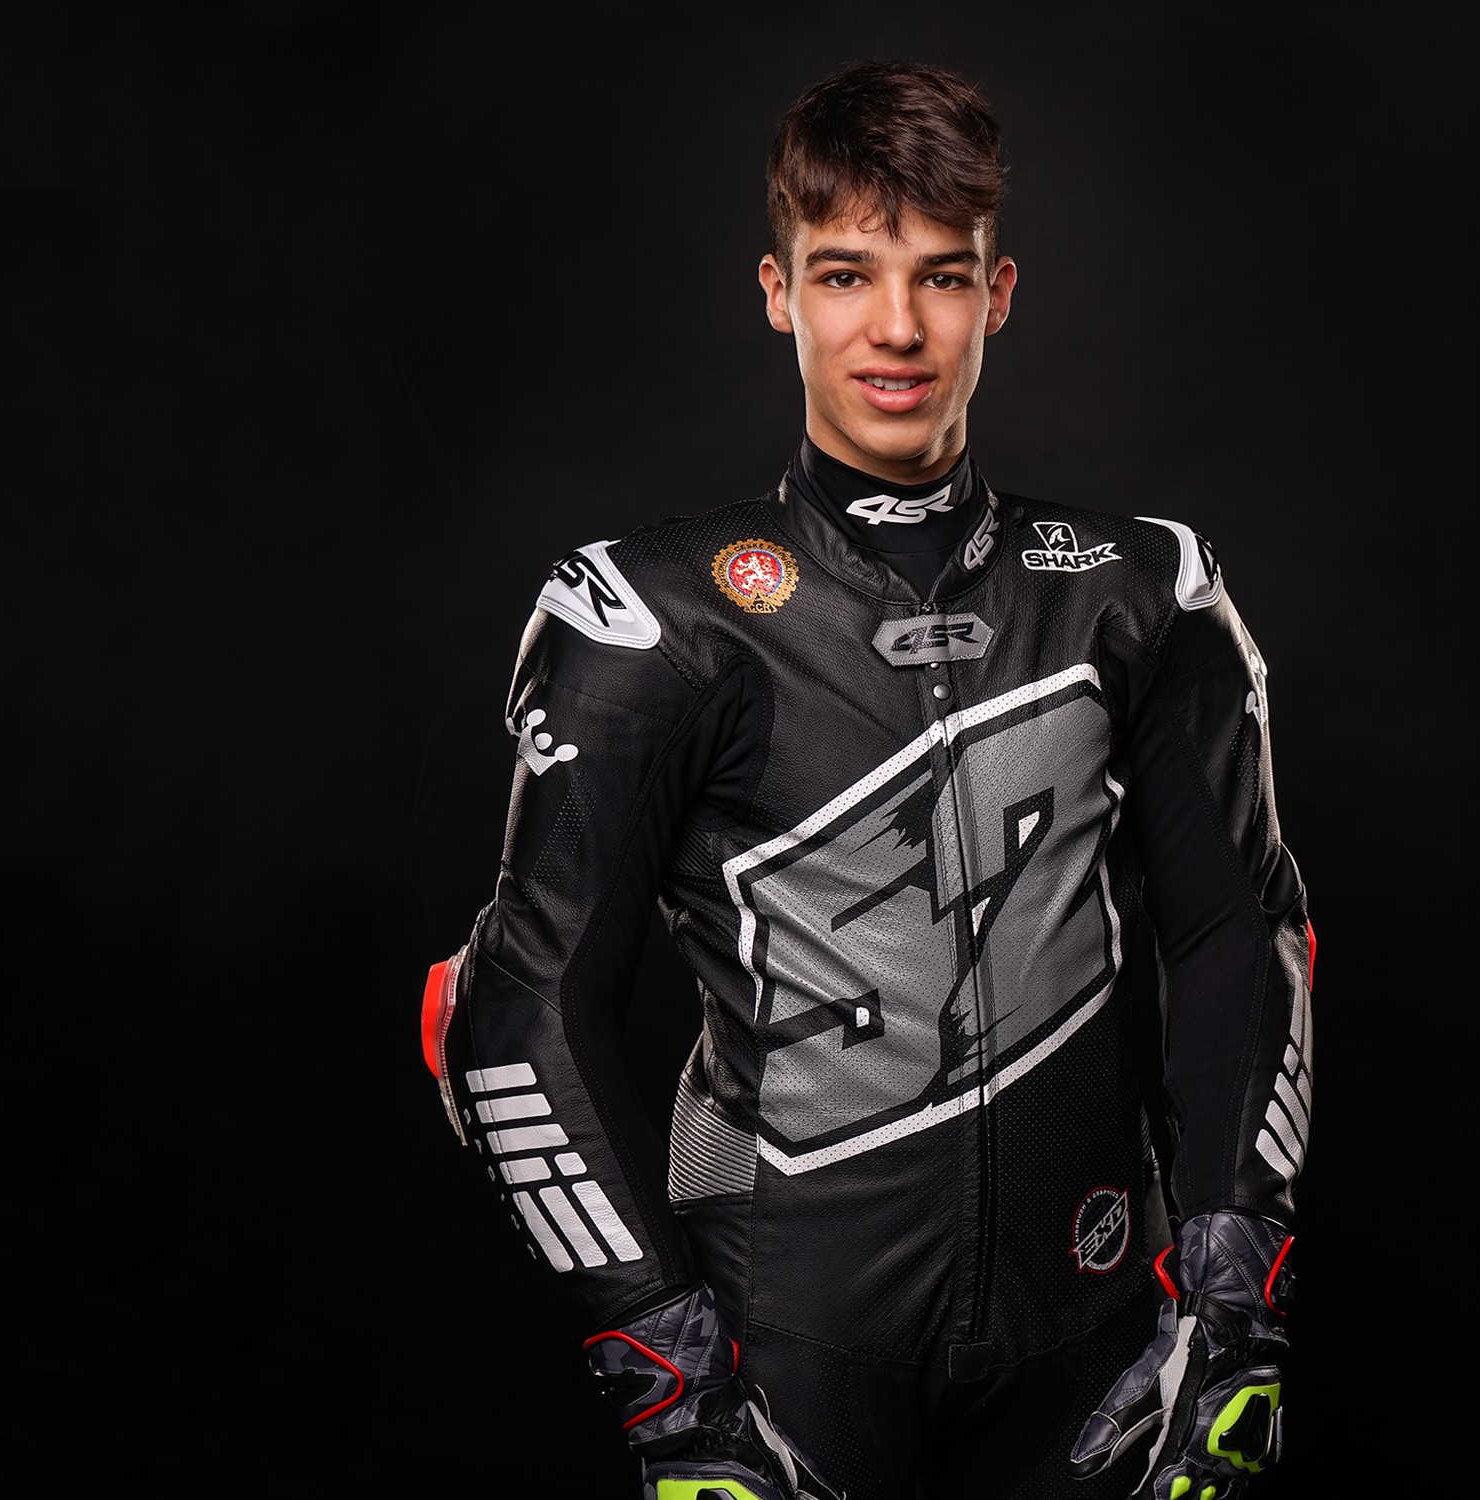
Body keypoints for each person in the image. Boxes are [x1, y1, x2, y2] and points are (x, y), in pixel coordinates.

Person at [420, 59, 1312, 1500]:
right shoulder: (654, 621)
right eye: (846, 274)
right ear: (778, 293)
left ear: (997, 295)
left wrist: (1230, 1296)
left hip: (1091, 1350)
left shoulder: (1142, 593)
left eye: (941, 277)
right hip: (783, 1360)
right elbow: (519, 1011)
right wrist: (667, 1374)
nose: (897, 328)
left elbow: (1239, 933)